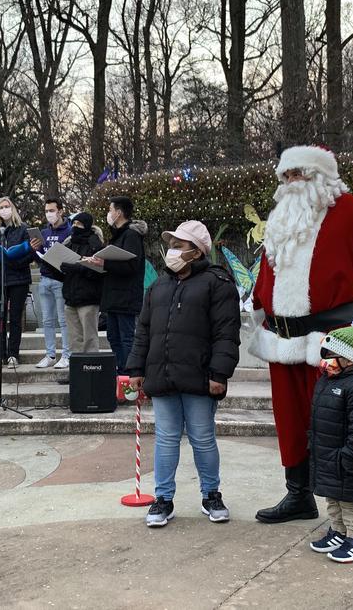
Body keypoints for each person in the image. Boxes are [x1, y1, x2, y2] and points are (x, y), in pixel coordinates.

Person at [249, 145, 353, 524]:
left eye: (299, 174)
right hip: (283, 340)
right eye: (286, 175)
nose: (292, 182)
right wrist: (258, 305)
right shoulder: (281, 218)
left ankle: (344, 515)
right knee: (291, 422)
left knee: (335, 422)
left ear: (322, 176)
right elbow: (270, 269)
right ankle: (298, 495)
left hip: (335, 339)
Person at [126, 221, 240, 528]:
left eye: (180, 245)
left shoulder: (218, 283)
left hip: (200, 377)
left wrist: (219, 373)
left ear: (197, 251)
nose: (173, 251)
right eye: (171, 245)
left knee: (202, 438)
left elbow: (226, 333)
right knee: (166, 439)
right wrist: (135, 368)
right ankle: (163, 499)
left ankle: (211, 495)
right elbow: (143, 330)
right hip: (161, 375)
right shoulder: (158, 286)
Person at [308, 320, 353, 563]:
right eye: (325, 354)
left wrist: (351, 456)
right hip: (329, 455)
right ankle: (338, 532)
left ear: (349, 359)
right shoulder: (329, 381)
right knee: (333, 498)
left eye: (331, 355)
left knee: (350, 502)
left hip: (349, 459)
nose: (325, 360)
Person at [86, 196, 146, 375]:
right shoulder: (117, 235)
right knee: (113, 336)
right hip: (113, 296)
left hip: (126, 296)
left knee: (126, 338)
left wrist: (105, 263)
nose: (109, 213)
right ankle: (121, 371)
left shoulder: (131, 235)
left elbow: (132, 266)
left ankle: (130, 374)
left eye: (110, 210)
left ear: (119, 213)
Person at [0, 197, 39, 368]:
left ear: (12, 209)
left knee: (16, 318)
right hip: (0, 279)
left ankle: (13, 354)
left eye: (7, 206)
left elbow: (31, 254)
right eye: (1, 207)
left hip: (19, 278)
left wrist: (13, 259)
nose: (4, 210)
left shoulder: (23, 229)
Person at [30, 197, 72, 369]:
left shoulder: (69, 231)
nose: (49, 214)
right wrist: (35, 249)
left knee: (63, 320)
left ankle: (67, 355)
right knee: (47, 320)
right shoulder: (44, 233)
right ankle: (50, 355)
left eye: (52, 210)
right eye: (47, 211)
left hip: (61, 280)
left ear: (60, 211)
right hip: (44, 278)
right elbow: (39, 258)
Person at [60, 213, 104, 354]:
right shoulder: (69, 243)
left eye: (78, 224)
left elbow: (98, 271)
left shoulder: (95, 243)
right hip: (70, 297)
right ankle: (77, 365)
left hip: (88, 298)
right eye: (73, 223)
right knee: (74, 339)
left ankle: (91, 365)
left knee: (90, 338)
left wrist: (78, 267)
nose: (75, 226)